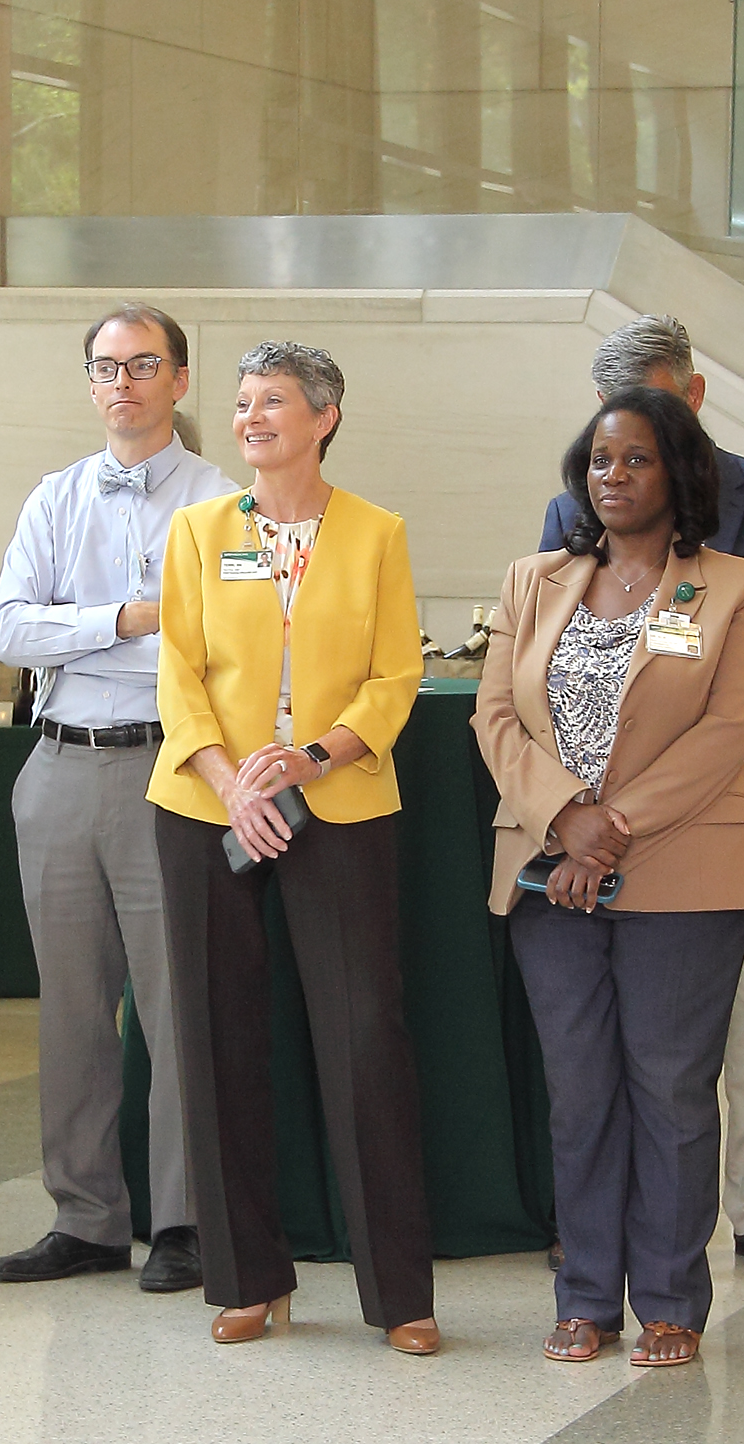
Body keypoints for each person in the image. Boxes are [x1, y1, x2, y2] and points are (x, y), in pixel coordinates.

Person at [479, 387, 744, 1368]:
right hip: (548, 876)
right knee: (579, 1093)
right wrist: (564, 818)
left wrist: (609, 831)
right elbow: (495, 718)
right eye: (601, 460)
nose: (613, 476)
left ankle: (669, 1300)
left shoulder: (739, 587)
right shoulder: (533, 581)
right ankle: (584, 1297)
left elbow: (728, 729)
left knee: (672, 1090)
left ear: (679, 472)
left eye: (636, 459)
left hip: (683, 871)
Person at [147, 340, 437, 1355]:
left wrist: (310, 759)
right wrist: (233, 785)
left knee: (365, 1042)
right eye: (243, 402)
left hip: (337, 800)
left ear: (325, 416)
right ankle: (247, 1280)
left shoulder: (376, 533)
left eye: (273, 401)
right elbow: (178, 673)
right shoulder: (197, 530)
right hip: (207, 804)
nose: (252, 418)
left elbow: (395, 677)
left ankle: (399, 1295)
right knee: (217, 1037)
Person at [538, 316, 744, 1277]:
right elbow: (546, 657)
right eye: (612, 416)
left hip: (743, 794)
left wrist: (716, 727)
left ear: (696, 396)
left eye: (658, 406)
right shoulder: (572, 508)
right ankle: (612, 1215)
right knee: (614, 1040)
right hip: (602, 817)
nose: (625, 452)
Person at [0, 303, 234, 1293]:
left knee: (175, 1003)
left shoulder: (223, 503)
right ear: (89, 383)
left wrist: (74, 627)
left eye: (142, 365)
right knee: (71, 1006)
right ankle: (85, 1217)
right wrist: (125, 619)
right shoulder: (54, 498)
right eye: (105, 367)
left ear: (179, 379)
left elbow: (217, 645)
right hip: (56, 766)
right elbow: (9, 630)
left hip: (168, 766)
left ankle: (183, 1220)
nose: (121, 384)